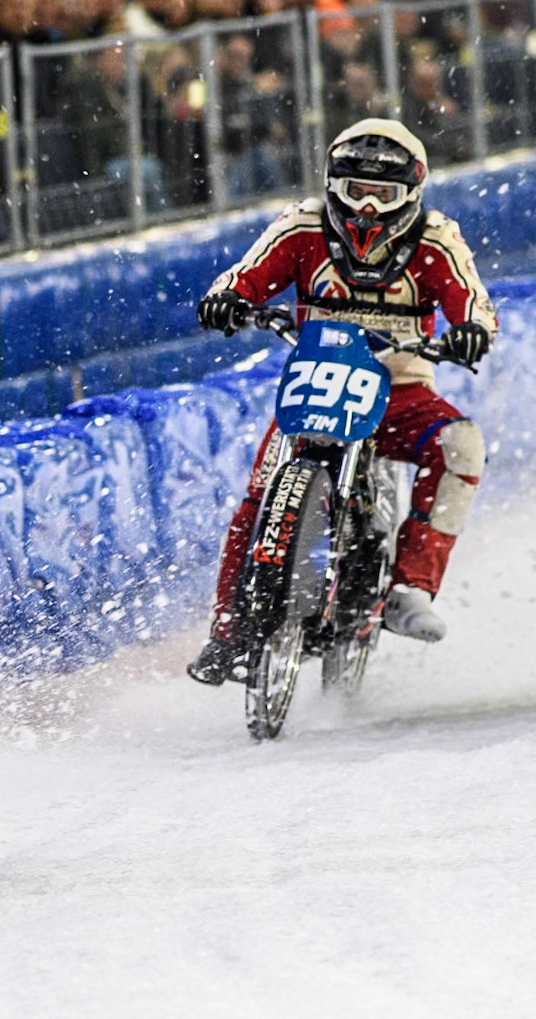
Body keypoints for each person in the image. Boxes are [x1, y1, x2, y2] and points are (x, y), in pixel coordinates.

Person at [187, 119, 499, 684]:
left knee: (463, 446)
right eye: (355, 190)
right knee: (258, 496)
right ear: (332, 184)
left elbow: (473, 301)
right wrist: (228, 299)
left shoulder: (436, 238)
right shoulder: (302, 226)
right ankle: (229, 632)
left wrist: (472, 330)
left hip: (401, 392)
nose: (368, 208)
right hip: (316, 381)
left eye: (384, 194)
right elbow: (245, 275)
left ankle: (410, 586)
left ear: (413, 192)